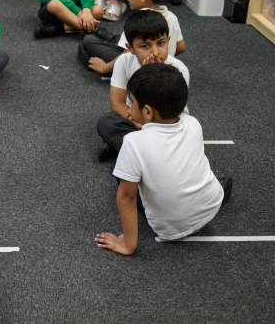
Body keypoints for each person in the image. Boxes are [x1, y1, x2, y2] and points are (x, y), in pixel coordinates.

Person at [94, 64, 230, 256]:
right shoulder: (193, 123)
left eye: (131, 101)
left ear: (148, 111)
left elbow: (127, 197)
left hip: (170, 230)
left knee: (122, 172)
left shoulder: (133, 142)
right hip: (211, 207)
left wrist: (128, 245)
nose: (128, 104)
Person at [96, 9, 190, 158]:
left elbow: (172, 111)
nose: (155, 52)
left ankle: (131, 150)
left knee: (189, 131)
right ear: (130, 48)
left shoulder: (179, 69)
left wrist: (155, 73)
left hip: (166, 124)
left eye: (161, 43)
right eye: (145, 46)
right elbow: (117, 103)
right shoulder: (123, 62)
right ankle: (146, 154)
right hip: (134, 118)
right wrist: (138, 122)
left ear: (169, 40)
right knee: (107, 123)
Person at [80, 0, 186, 75]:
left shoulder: (139, 19)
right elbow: (181, 47)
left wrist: (105, 68)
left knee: (87, 42)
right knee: (118, 38)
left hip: (140, 69)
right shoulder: (172, 17)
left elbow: (127, 53)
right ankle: (107, 36)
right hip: (161, 67)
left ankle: (116, 71)